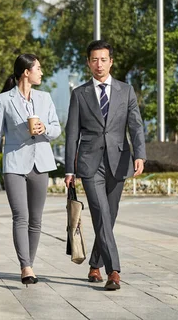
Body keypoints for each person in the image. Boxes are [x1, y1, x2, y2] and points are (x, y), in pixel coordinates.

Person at [64, 40, 146, 291]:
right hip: (90, 164)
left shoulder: (126, 90)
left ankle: (94, 264)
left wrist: (139, 154)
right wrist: (69, 168)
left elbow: (136, 125)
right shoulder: (79, 93)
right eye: (94, 60)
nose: (99, 64)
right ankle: (114, 271)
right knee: (100, 212)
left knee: (109, 216)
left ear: (111, 61)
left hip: (119, 160)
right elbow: (71, 133)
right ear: (88, 63)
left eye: (103, 59)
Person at [0, 54, 61, 285]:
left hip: (41, 163)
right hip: (14, 164)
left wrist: (44, 129)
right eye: (38, 69)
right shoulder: (3, 100)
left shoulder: (45, 98)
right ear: (26, 72)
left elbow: (56, 129)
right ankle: (26, 266)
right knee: (20, 216)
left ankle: (28, 263)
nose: (41, 73)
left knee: (36, 219)